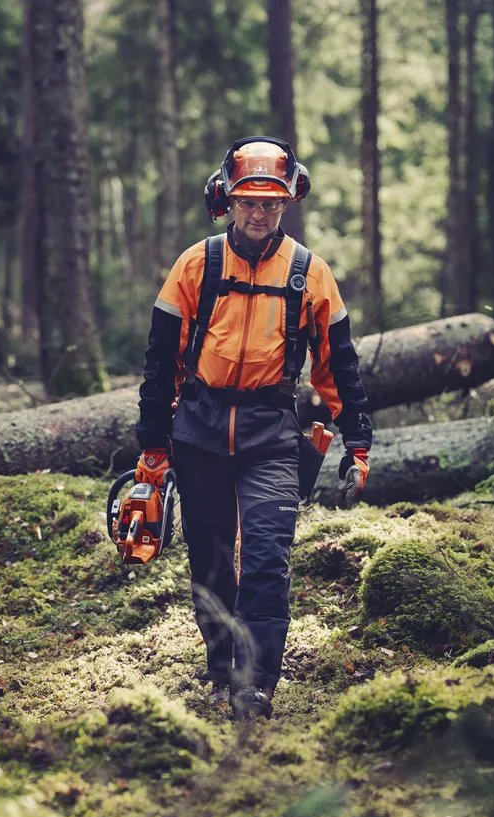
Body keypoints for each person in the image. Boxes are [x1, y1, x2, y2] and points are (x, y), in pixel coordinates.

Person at [134, 136, 373, 720]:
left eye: (271, 203)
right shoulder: (196, 265)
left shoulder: (310, 275)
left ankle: (257, 683)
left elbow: (338, 364)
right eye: (249, 202)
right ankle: (223, 668)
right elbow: (161, 360)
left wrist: (357, 439)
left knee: (267, 556)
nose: (260, 213)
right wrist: (152, 443)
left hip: (271, 430)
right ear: (228, 200)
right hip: (200, 427)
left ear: (288, 203)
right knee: (211, 558)